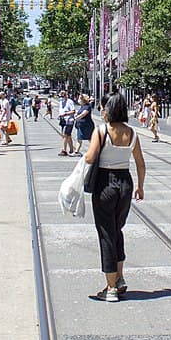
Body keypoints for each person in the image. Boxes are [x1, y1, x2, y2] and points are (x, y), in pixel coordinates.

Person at [84, 93, 146, 303]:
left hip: (105, 182)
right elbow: (140, 163)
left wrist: (85, 156)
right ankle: (119, 278)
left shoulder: (102, 131)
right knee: (117, 230)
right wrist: (140, 187)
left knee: (106, 234)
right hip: (125, 183)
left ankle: (110, 287)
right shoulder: (132, 133)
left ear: (108, 109)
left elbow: (90, 157)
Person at [58, 90, 77, 156]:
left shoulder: (70, 102)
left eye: (62, 96)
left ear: (66, 95)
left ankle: (64, 150)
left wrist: (65, 114)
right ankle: (71, 149)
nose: (61, 97)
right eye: (60, 96)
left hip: (69, 121)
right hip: (63, 121)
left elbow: (73, 111)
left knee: (65, 135)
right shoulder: (61, 102)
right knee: (68, 135)